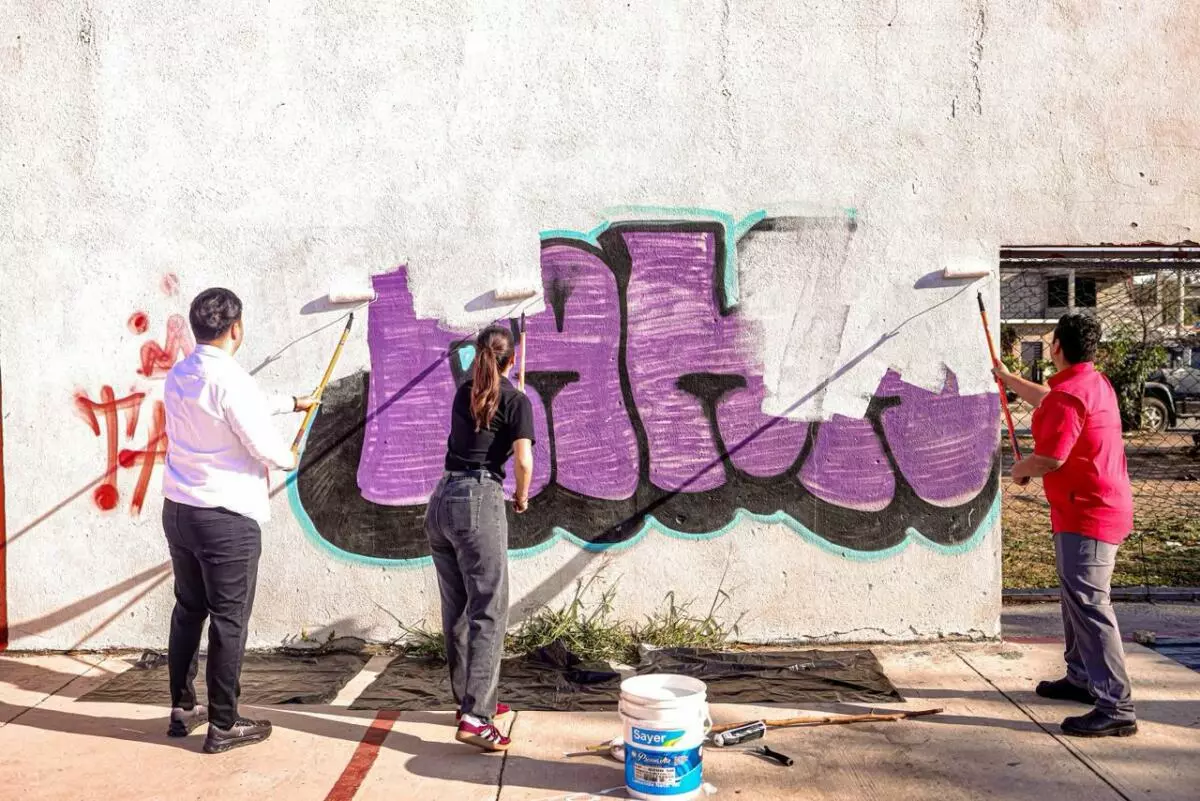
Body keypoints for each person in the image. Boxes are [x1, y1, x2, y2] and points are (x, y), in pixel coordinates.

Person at [161, 287, 317, 754]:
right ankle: (224, 724)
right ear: (236, 328)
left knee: (189, 610)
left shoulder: (181, 373)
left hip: (180, 512)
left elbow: (234, 405)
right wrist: (288, 456)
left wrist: (292, 402)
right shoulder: (232, 380)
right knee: (229, 622)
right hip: (226, 521)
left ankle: (183, 709)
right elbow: (264, 446)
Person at [994, 313, 1136, 737]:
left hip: (1089, 514)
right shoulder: (1093, 384)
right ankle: (1081, 678)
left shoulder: (1070, 396)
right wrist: (1007, 378)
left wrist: (1019, 469)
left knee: (1090, 605)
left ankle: (1116, 705)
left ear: (1055, 347)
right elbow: (1049, 399)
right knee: (1077, 599)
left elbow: (1051, 458)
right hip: (1090, 509)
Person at [425, 324, 534, 752]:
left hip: (441, 499)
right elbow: (523, 461)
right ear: (512, 360)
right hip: (478, 499)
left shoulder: (463, 393)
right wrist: (521, 496)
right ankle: (476, 717)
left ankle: (468, 702)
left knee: (456, 610)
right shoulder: (516, 400)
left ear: (477, 356)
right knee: (489, 609)